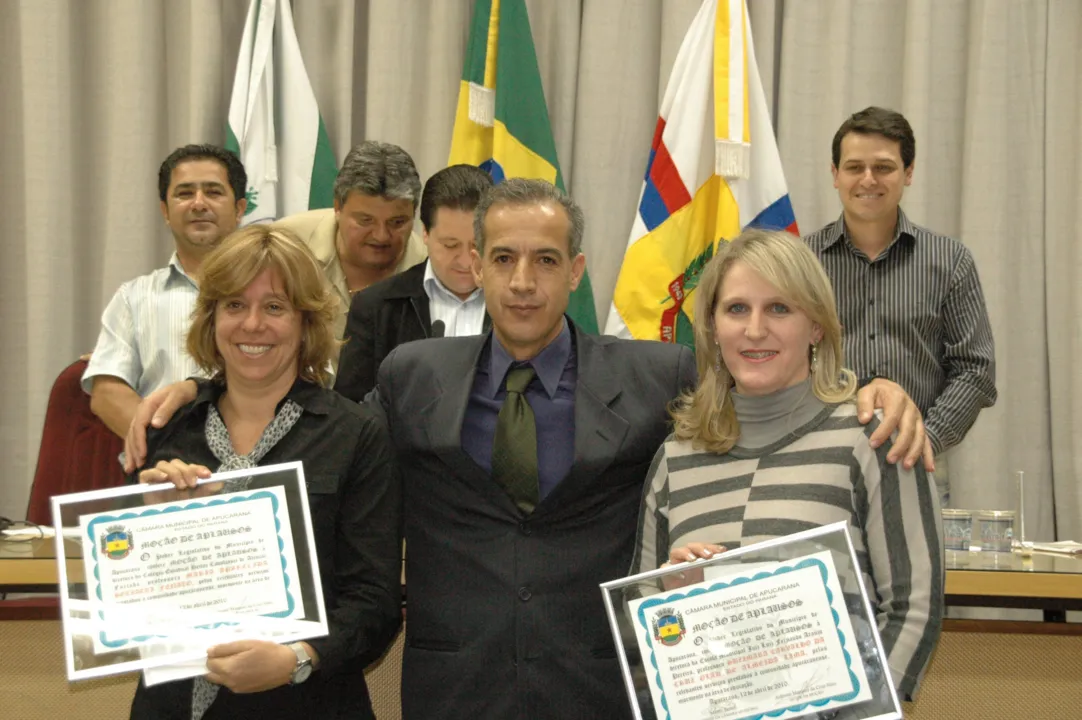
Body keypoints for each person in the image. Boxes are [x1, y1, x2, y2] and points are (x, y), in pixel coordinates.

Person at [125, 181, 930, 720]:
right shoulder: (413, 376)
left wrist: (872, 388)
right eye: (502, 258)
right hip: (453, 690)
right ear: (472, 263)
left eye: (546, 260)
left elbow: (759, 383)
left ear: (576, 270)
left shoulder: (660, 376)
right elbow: (314, 438)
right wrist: (197, 396)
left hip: (597, 691)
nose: (521, 281)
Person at [631, 228, 944, 702]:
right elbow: (644, 621)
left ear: (816, 325)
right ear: (713, 327)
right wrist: (668, 599)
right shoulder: (676, 457)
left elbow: (914, 609)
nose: (755, 329)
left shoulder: (873, 437)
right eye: (736, 309)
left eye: (780, 308)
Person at [128, 225, 401, 720]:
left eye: (274, 307)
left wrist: (295, 659)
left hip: (308, 703)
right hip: (170, 706)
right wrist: (146, 523)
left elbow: (374, 602)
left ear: (305, 321)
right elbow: (123, 595)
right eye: (234, 305)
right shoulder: (166, 430)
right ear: (211, 319)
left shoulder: (356, 434)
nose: (252, 324)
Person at [804, 106, 996, 492]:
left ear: (908, 173)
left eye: (884, 167)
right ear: (835, 174)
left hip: (917, 465)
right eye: (854, 167)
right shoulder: (800, 263)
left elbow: (975, 369)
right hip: (818, 461)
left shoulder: (950, 261)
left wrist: (925, 440)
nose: (868, 179)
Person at [83, 144, 247, 438]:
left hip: (267, 467)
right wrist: (169, 455)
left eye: (213, 192)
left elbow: (314, 377)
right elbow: (108, 393)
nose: (199, 204)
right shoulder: (133, 298)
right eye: (185, 193)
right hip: (166, 468)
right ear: (165, 211)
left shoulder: (278, 290)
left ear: (239, 209)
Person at [334, 164, 494, 402]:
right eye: (450, 245)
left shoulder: (517, 301)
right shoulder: (376, 307)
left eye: (476, 245)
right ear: (426, 234)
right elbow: (351, 411)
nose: (465, 261)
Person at [274, 140, 428, 350]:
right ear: (338, 207)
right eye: (365, 221)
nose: (381, 236)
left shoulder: (431, 269)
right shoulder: (282, 245)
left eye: (397, 222)